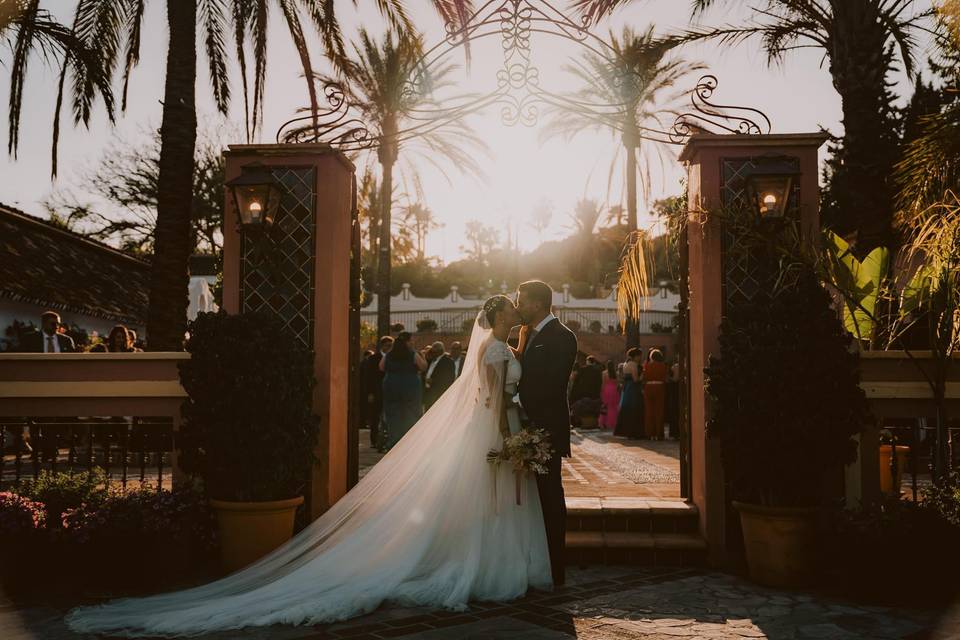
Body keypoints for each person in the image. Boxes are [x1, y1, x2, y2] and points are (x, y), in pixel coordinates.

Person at [65, 297, 552, 637]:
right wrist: (510, 438)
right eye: (510, 308)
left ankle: (496, 564)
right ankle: (486, 568)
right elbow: (489, 400)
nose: (515, 310)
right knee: (485, 496)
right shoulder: (492, 350)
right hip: (495, 429)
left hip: (504, 426)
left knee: (490, 500)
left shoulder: (506, 347)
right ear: (498, 316)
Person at [515, 280, 577, 587]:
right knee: (530, 497)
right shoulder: (528, 334)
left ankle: (556, 566)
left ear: (538, 303)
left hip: (546, 428)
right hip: (525, 427)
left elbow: (551, 385)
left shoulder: (562, 336)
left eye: (522, 301)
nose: (518, 306)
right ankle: (533, 561)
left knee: (550, 495)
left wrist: (521, 409)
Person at [379, 332, 427, 450]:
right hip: (409, 386)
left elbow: (381, 367)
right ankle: (409, 443)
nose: (412, 343)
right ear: (406, 342)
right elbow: (423, 367)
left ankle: (394, 442)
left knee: (393, 414)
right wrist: (424, 357)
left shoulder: (389, 355)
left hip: (391, 385)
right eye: (411, 341)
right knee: (410, 412)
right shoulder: (413, 354)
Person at [361, 337, 393, 450]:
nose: (389, 347)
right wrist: (369, 393)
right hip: (376, 391)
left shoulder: (393, 358)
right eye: (387, 345)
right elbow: (368, 377)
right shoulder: (374, 358)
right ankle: (374, 440)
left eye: (391, 345)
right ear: (382, 346)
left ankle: (387, 439)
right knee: (375, 416)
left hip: (390, 391)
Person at [614, 348, 645, 439]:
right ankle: (635, 432)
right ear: (635, 356)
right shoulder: (634, 364)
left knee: (626, 409)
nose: (640, 358)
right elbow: (636, 379)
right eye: (639, 356)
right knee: (635, 409)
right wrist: (643, 374)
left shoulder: (625, 364)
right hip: (633, 388)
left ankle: (627, 431)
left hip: (627, 388)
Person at [643, 349, 669, 440]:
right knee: (659, 411)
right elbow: (665, 378)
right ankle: (659, 434)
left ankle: (649, 433)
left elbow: (644, 377)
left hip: (648, 387)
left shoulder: (647, 365)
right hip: (659, 387)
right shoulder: (663, 366)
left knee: (649, 411)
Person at [423, 341, 456, 410]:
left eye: (434, 351)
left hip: (439, 394)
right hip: (428, 393)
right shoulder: (430, 360)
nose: (432, 353)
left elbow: (448, 379)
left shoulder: (448, 362)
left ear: (440, 351)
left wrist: (433, 381)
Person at [599, 360, 620, 430]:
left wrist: (601, 391)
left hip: (607, 390)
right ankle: (613, 423)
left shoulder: (604, 373)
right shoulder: (616, 373)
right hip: (614, 390)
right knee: (614, 407)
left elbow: (603, 383)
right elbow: (617, 383)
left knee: (605, 407)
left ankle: (603, 423)